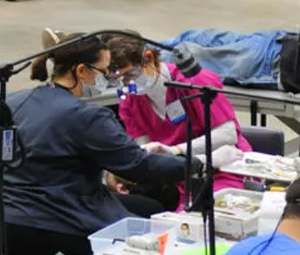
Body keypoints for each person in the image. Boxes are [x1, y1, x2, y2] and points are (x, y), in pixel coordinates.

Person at [0, 34, 203, 255]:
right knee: (148, 241)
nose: (108, 79)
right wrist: (194, 164)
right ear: (81, 71)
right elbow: (138, 165)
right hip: (44, 228)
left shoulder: (14, 103)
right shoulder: (86, 117)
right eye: (103, 71)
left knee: (147, 207)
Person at [105, 33, 250, 211]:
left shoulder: (194, 81)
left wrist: (176, 151)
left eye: (130, 75)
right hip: (175, 177)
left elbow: (228, 134)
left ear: (149, 58)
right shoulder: (129, 99)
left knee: (198, 218)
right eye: (118, 80)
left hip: (222, 168)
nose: (127, 84)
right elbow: (146, 151)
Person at [43, 26, 300, 95]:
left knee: (177, 50)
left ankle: (75, 45)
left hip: (275, 58)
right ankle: (76, 44)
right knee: (186, 41)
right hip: (277, 49)